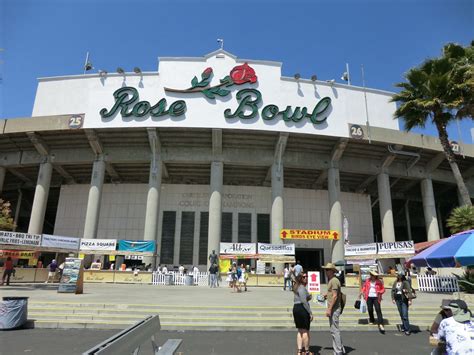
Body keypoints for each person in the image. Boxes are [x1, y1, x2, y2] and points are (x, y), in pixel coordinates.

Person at [322, 263, 344, 355]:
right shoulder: (332, 280)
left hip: (334, 308)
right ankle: (339, 348)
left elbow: (335, 296)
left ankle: (338, 351)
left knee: (334, 330)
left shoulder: (334, 281)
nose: (326, 272)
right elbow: (334, 293)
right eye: (325, 270)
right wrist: (327, 295)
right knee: (334, 329)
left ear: (332, 271)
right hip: (333, 307)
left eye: (327, 270)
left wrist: (329, 309)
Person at [292, 273, 313, 355]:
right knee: (305, 331)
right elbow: (304, 301)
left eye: (307, 276)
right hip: (302, 309)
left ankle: (300, 351)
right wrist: (310, 313)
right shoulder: (302, 288)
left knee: (300, 330)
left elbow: (302, 298)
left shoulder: (296, 287)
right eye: (304, 277)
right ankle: (307, 351)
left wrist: (309, 297)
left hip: (296, 308)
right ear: (300, 278)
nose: (306, 278)